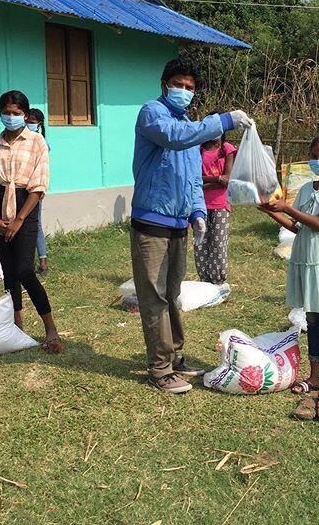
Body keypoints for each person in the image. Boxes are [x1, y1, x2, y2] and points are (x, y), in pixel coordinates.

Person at [131, 56, 251, 393]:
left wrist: (198, 212)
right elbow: (174, 136)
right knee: (153, 297)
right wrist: (223, 120)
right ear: (164, 85)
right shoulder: (153, 114)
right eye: (178, 85)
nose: (183, 91)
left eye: (190, 88)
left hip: (178, 223)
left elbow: (194, 180)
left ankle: (175, 356)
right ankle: (159, 369)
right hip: (151, 221)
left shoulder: (190, 127)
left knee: (172, 294)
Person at [260, 134, 319, 404]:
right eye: (314, 155)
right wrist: (269, 211)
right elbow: (297, 227)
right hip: (306, 259)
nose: (318, 161)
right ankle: (315, 377)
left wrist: (286, 207)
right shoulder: (305, 189)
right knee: (312, 319)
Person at [0, 91, 62, 353]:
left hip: (25, 205)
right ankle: (16, 326)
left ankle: (51, 329)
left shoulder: (37, 142)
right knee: (9, 272)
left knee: (25, 269)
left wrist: (19, 220)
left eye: (16, 113)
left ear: (25, 115)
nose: (11, 117)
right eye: (7, 112)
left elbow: (39, 187)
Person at [195, 117, 237, 284]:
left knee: (218, 243)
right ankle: (204, 279)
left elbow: (228, 179)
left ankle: (218, 280)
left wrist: (205, 183)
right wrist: (217, 179)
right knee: (200, 243)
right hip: (199, 204)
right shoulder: (197, 149)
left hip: (220, 203)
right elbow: (195, 177)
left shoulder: (227, 149)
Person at [27, 108, 49, 276]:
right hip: (20, 189)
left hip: (34, 189)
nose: (29, 124)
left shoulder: (40, 142)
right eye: (28, 120)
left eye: (32, 122)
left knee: (35, 224)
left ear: (39, 124)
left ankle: (43, 262)